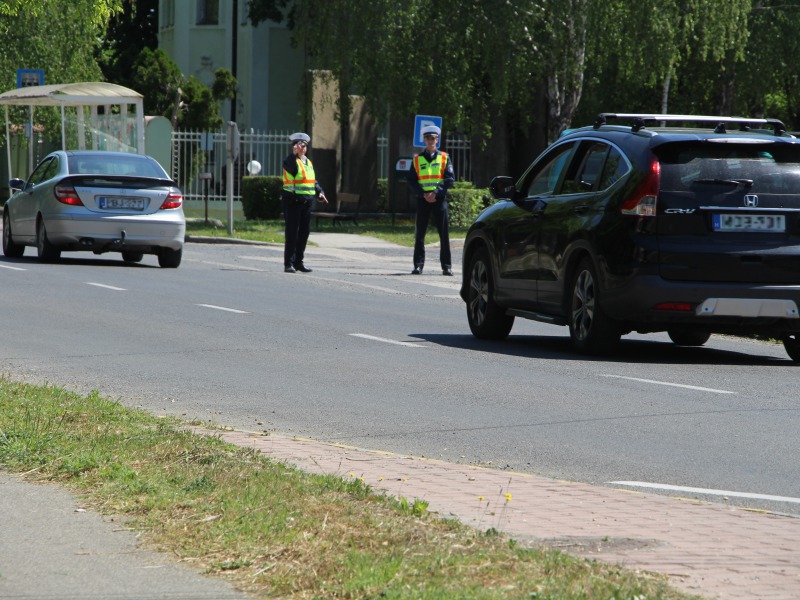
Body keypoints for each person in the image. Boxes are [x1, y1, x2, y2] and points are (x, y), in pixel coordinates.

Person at [407, 125, 455, 276]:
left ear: (437, 140)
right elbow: (411, 180)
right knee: (420, 234)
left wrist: (435, 192)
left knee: (444, 234)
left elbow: (450, 179)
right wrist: (423, 194)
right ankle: (418, 266)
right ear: (424, 141)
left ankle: (446, 266)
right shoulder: (417, 159)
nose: (430, 141)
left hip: (439, 199)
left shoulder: (445, 157)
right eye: (428, 138)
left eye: (433, 138)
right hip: (423, 200)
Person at [281, 132, 328, 273]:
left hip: (307, 203)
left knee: (304, 234)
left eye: (303, 145)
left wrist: (320, 192)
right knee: (292, 234)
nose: (301, 147)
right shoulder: (290, 161)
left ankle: (298, 262)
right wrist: (293, 155)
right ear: (293, 147)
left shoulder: (308, 162)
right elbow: (290, 168)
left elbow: (312, 180)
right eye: (298, 145)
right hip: (293, 202)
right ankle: (288, 263)